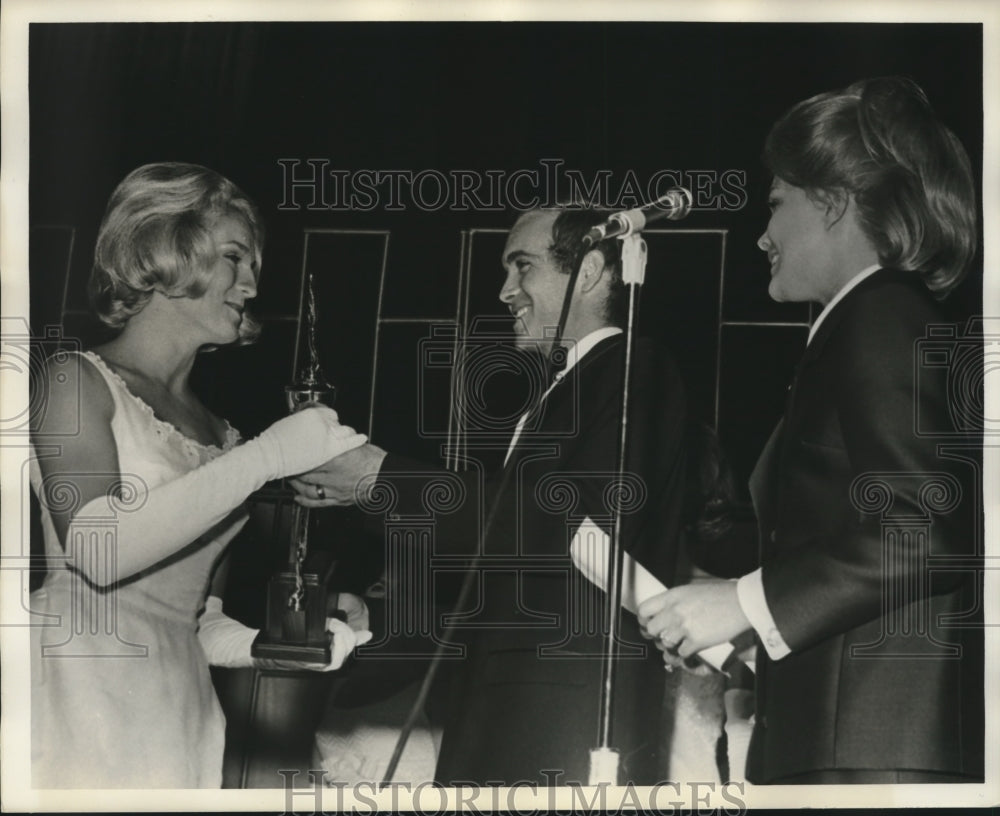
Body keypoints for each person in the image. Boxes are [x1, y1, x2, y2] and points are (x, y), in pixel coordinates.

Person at [638, 76, 984, 783]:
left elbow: (923, 530)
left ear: (833, 202)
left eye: (776, 202)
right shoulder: (873, 322)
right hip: (851, 748)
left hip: (866, 760)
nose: (763, 234)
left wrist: (740, 599)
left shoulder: (881, 316)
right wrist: (749, 624)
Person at [292, 205, 689, 785]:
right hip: (504, 713)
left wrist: (382, 476)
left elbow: (559, 528)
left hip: (562, 721)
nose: (506, 291)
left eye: (522, 266)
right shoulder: (561, 391)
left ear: (595, 270)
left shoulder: (634, 370)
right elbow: (512, 568)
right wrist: (381, 615)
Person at [30, 162, 371, 789]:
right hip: (73, 691)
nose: (249, 285)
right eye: (234, 259)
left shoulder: (221, 437)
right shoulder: (73, 383)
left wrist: (291, 640)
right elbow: (98, 552)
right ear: (165, 249)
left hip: (180, 715)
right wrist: (268, 457)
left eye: (254, 269)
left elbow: (196, 623)